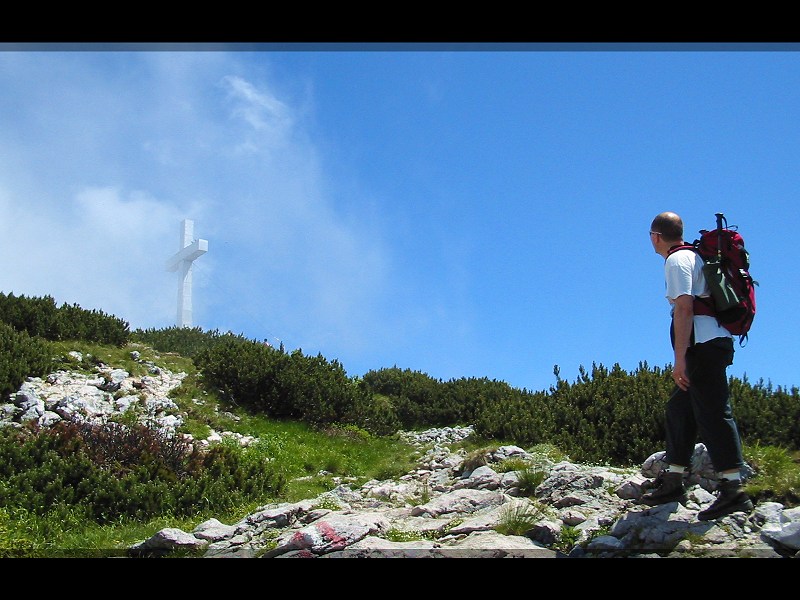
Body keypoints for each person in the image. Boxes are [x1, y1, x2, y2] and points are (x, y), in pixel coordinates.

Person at [642, 211, 753, 521]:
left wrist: (679, 359)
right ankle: (674, 480)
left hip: (702, 347)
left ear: (656, 237)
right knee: (680, 408)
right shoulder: (696, 256)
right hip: (710, 343)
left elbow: (684, 308)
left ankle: (734, 490)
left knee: (714, 412)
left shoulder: (677, 260)